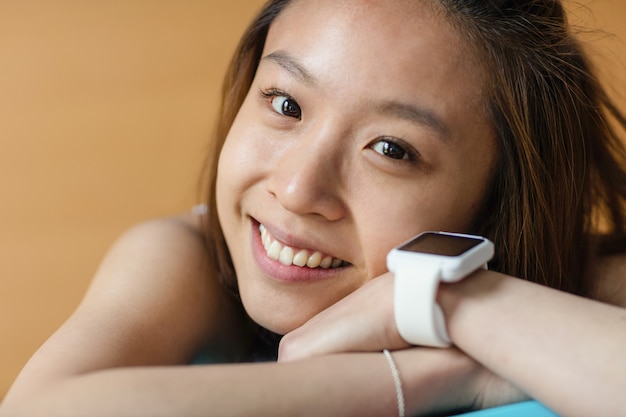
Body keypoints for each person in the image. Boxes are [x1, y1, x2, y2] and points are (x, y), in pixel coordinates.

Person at [1, 0, 626, 416]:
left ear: (497, 197)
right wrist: (440, 380)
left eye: (391, 148)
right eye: (285, 104)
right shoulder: (188, 262)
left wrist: (455, 302)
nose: (298, 191)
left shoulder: (573, 291)